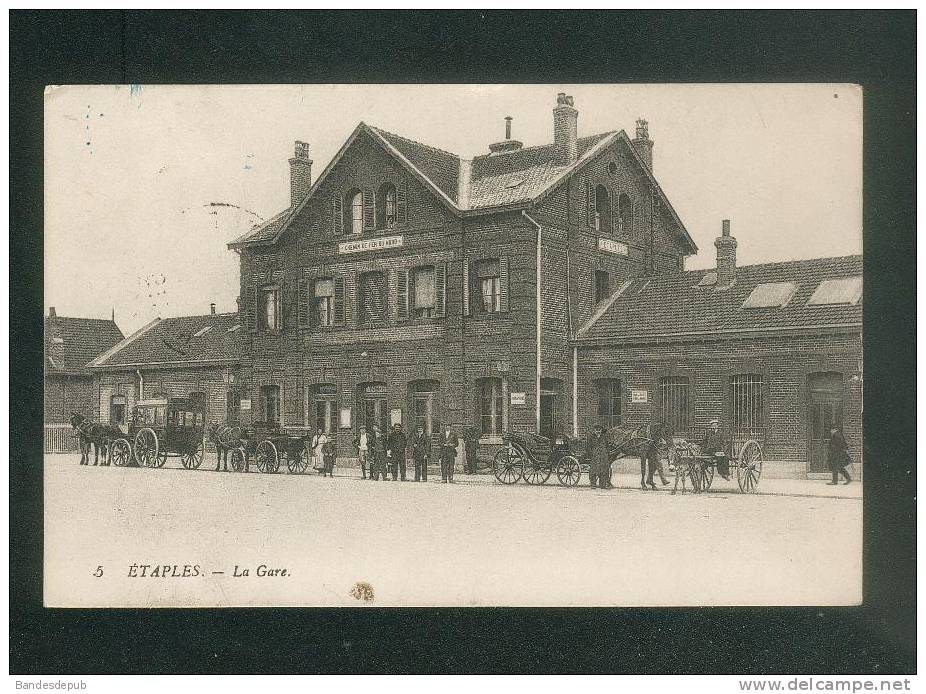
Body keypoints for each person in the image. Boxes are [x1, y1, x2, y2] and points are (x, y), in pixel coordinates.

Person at [586, 424, 610, 489]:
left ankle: (602, 484)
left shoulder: (604, 437)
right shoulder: (591, 437)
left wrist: (607, 454)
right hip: (595, 456)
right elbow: (588, 447)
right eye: (597, 430)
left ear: (601, 430)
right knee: (593, 471)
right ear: (594, 430)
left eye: (599, 430)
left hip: (603, 456)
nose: (598, 431)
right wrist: (591, 454)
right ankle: (593, 484)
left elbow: (607, 446)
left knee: (603, 471)